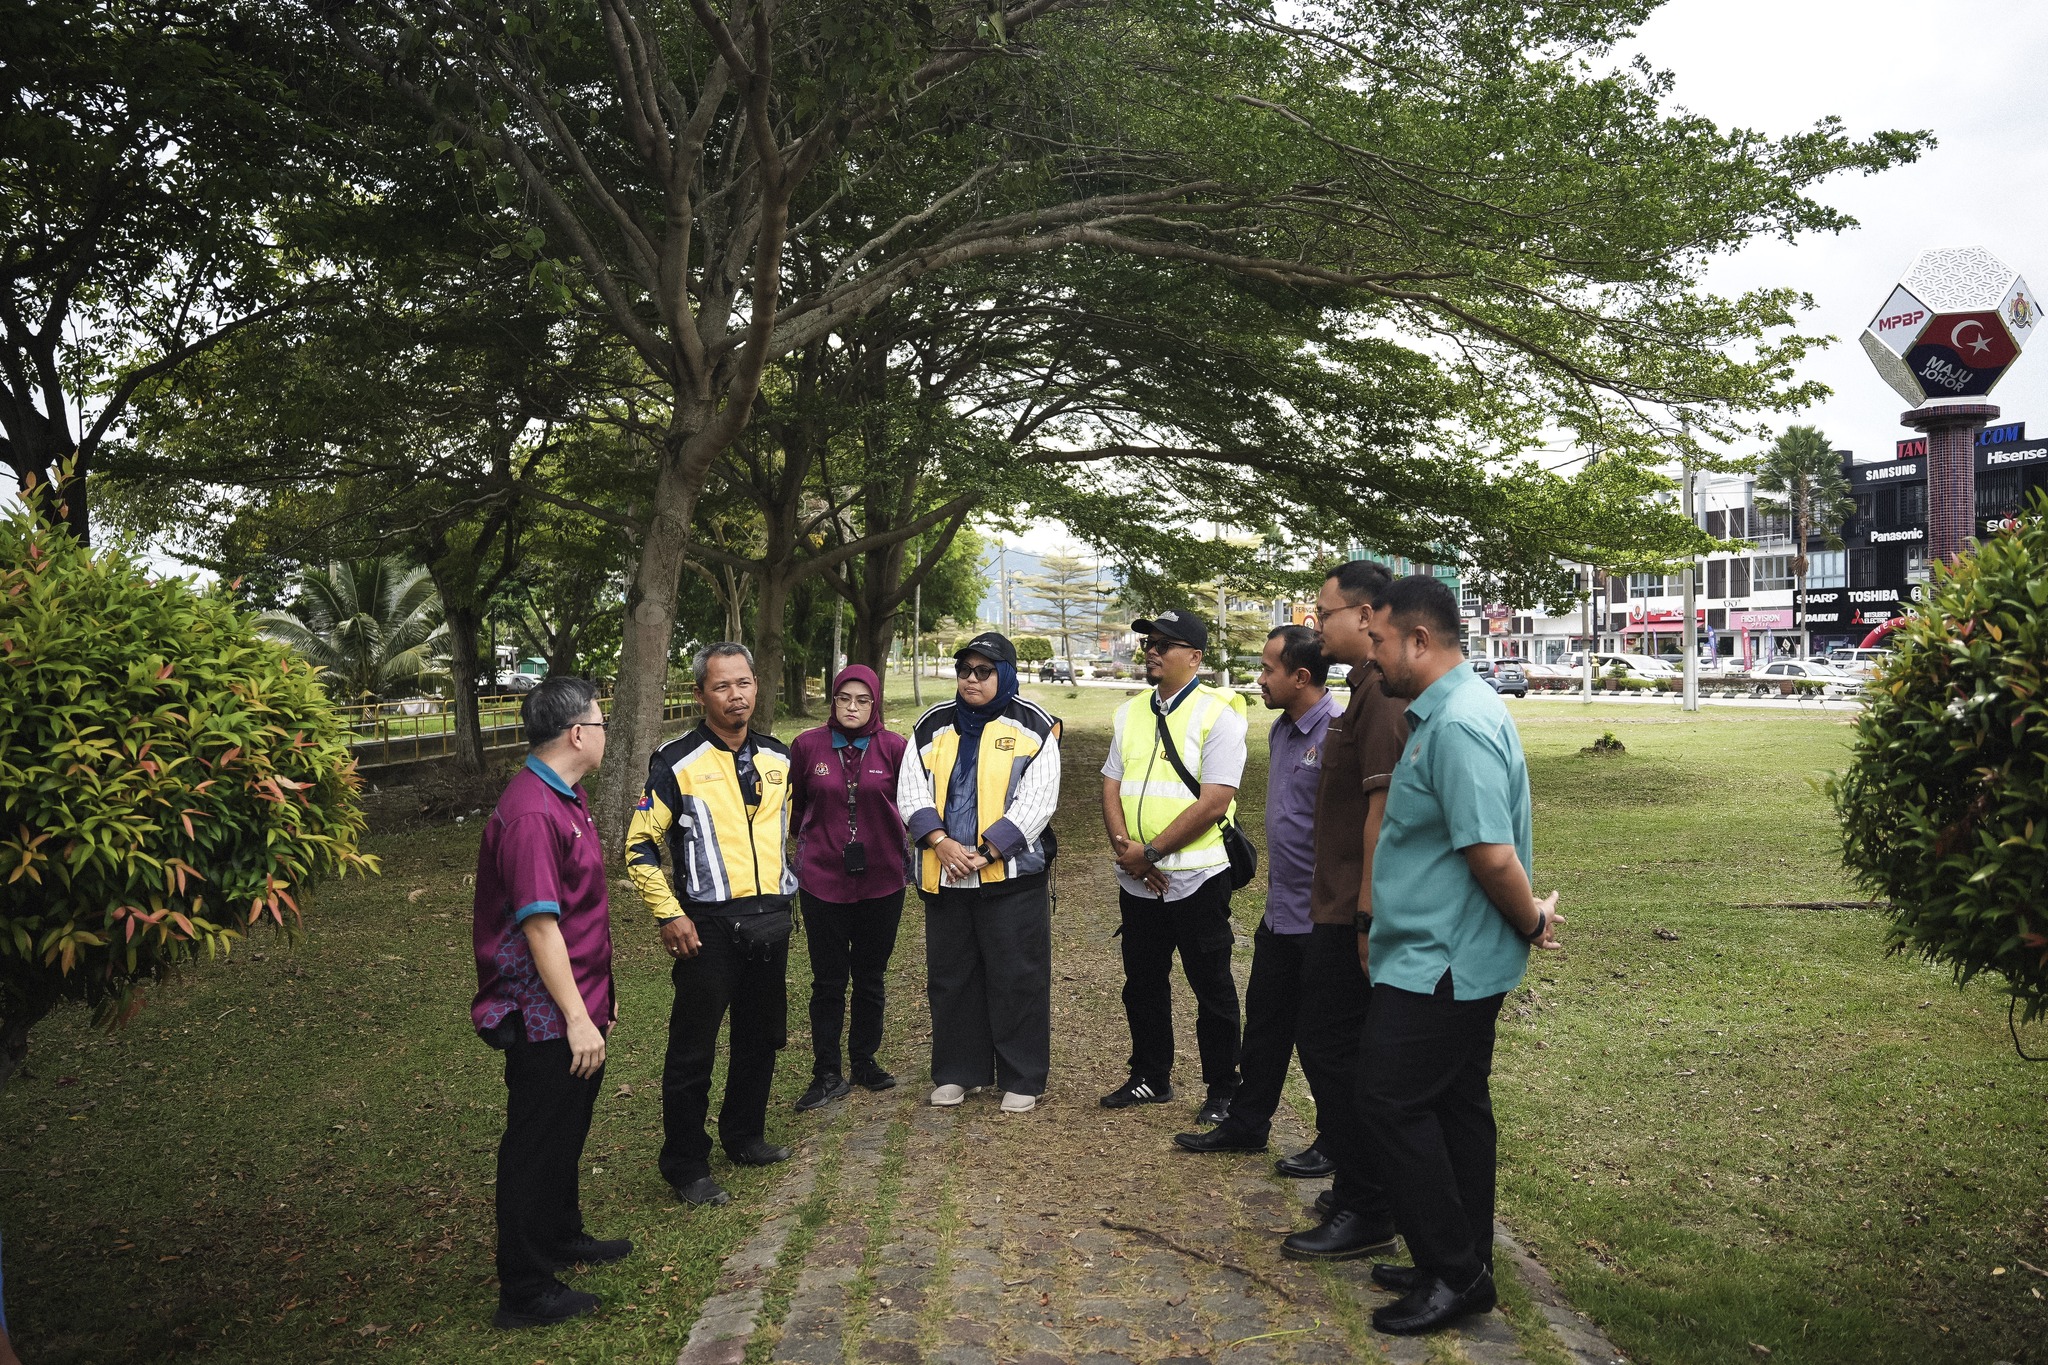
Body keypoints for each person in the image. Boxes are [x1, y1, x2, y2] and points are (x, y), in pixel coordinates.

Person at [1358, 574, 1562, 1335]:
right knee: (1453, 1105)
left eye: (1379, 638)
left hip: (1442, 960)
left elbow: (1492, 853)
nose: (1372, 653)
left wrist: (1533, 918)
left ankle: (1456, 1272)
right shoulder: (1441, 714)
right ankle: (1457, 1254)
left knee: (1386, 1098)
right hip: (1437, 952)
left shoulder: (1458, 725)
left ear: (1419, 639)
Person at [470, 677, 629, 1329]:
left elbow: (581, 908)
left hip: (577, 999)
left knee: (567, 1126)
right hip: (543, 1013)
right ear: (576, 733)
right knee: (536, 1141)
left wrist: (599, 998)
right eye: (600, 720)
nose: (603, 729)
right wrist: (574, 1014)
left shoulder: (567, 795)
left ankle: (561, 1233)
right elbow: (539, 925)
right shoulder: (533, 810)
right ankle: (526, 1287)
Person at [627, 643, 798, 1209]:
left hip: (770, 920)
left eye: (745, 683)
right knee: (693, 1051)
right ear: (700, 694)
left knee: (761, 1037)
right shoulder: (675, 763)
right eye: (722, 686)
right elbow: (640, 847)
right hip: (707, 927)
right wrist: (669, 912)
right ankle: (686, 1164)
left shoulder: (778, 759)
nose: (737, 696)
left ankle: (744, 1135)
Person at [1277, 559, 1411, 1263]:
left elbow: (1383, 822)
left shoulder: (1383, 699)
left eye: (1324, 611)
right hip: (1329, 905)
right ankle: (1365, 1190)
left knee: (1338, 1050)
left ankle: (1368, 1202)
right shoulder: (1363, 691)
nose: (1315, 623)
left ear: (1364, 616)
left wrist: (1363, 919)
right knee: (1332, 1048)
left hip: (1352, 913)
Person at [1173, 625, 1336, 1159]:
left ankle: (1336, 1141)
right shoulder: (1281, 730)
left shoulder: (1338, 731)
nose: (1259, 679)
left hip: (1324, 917)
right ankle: (1247, 1125)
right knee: (1265, 1029)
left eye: (1268, 669)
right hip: (1280, 910)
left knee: (1320, 1041)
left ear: (1301, 676)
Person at [897, 631, 1062, 1113]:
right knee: (952, 977)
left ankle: (1022, 1075)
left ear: (1004, 674)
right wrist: (942, 843)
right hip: (946, 875)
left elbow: (1039, 799)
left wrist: (988, 851)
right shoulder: (932, 725)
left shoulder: (1034, 725)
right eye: (964, 670)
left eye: (983, 671)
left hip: (1011, 878)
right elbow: (911, 791)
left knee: (1018, 975)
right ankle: (958, 1071)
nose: (971, 679)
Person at [1098, 608, 1248, 1125]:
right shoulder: (1131, 712)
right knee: (1141, 982)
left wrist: (1152, 852)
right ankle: (1150, 1076)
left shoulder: (1219, 715)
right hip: (1139, 877)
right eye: (1148, 644)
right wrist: (1128, 852)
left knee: (1211, 986)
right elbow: (1111, 784)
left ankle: (1224, 1088)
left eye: (1166, 643)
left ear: (1195, 657)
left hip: (1199, 877)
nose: (1153, 652)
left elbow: (1214, 802)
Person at [787, 665, 911, 1110]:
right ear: (833, 702)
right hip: (822, 880)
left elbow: (910, 805)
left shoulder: (896, 747)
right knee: (827, 981)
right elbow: (797, 809)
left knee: (871, 976)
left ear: (875, 704)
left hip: (882, 880)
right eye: (844, 699)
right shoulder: (806, 746)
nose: (852, 708)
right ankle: (826, 1072)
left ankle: (864, 1059)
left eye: (862, 700)